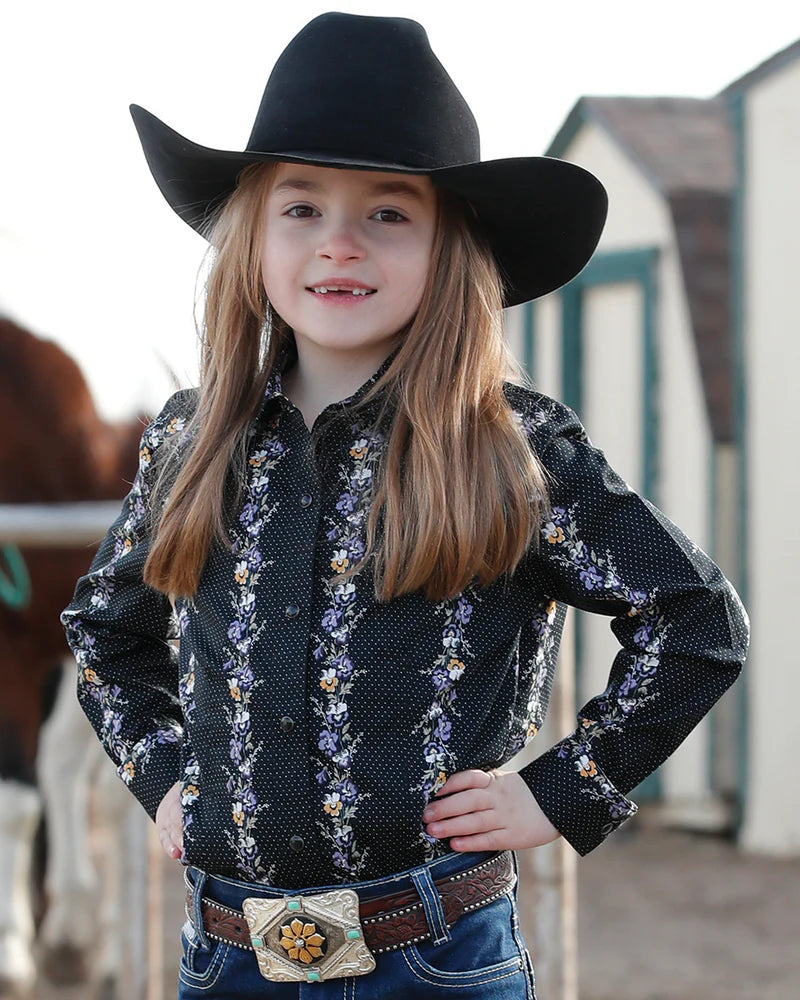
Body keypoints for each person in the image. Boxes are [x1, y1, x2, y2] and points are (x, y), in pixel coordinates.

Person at [60, 12, 749, 1000]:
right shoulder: (189, 441)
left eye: (386, 214)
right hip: (226, 960)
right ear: (254, 234)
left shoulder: (508, 451)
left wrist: (557, 793)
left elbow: (696, 622)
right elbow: (103, 632)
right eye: (300, 209)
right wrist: (163, 773)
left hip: (433, 957)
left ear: (446, 246)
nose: (338, 244)